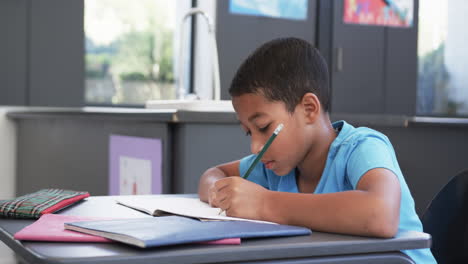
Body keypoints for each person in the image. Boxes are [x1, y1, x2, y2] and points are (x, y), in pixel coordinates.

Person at [197, 37, 436, 263]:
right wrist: (218, 192)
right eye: (250, 132)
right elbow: (215, 173)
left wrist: (263, 204)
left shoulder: (362, 147)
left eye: (264, 127)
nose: (256, 146)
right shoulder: (275, 166)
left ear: (309, 109)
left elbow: (380, 215)